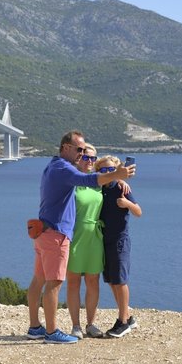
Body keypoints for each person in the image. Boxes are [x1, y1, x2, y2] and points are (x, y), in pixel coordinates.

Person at [26, 131, 135, 344]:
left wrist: (118, 182)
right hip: (56, 234)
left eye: (85, 150)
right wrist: (116, 174)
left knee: (39, 280)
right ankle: (51, 332)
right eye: (79, 150)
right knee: (54, 283)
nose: (81, 153)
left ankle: (35, 327)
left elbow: (94, 182)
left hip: (45, 232)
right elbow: (88, 178)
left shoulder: (53, 166)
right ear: (65, 147)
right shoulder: (63, 169)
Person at [96, 155, 142, 338]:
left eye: (111, 170)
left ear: (117, 170)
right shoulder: (99, 189)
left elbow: (139, 212)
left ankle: (123, 322)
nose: (108, 173)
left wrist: (127, 203)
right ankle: (128, 317)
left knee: (120, 280)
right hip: (103, 240)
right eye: (104, 170)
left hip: (119, 240)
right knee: (111, 280)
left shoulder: (121, 188)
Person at [65, 143, 105, 339]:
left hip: (94, 237)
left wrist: (124, 182)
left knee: (93, 281)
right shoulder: (72, 183)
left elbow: (115, 182)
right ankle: (75, 326)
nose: (90, 161)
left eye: (93, 158)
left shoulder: (99, 182)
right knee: (73, 282)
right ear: (78, 158)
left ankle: (90, 324)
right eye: (86, 157)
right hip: (75, 236)